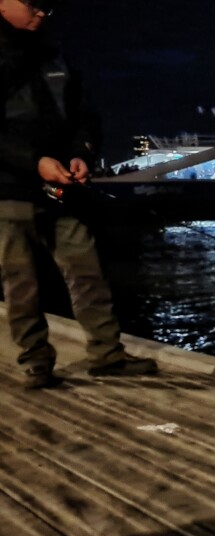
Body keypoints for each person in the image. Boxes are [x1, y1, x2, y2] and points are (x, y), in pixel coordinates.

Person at [0, 0, 157, 388]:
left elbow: (86, 117)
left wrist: (81, 154)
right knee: (21, 281)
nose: (41, 12)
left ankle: (107, 355)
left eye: (46, 6)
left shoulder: (56, 59)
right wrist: (35, 162)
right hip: (10, 192)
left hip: (60, 189)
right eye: (32, 4)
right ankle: (36, 361)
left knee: (87, 271)